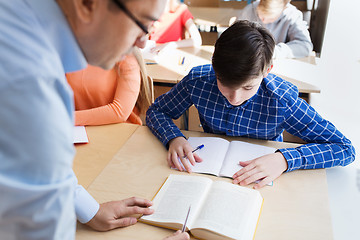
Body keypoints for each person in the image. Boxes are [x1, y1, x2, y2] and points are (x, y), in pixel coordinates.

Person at [0, 0, 189, 239]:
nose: (143, 42)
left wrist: (89, 210)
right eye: (142, 23)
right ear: (87, 4)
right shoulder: (30, 84)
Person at [146, 20, 355, 189]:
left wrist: (284, 160)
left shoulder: (281, 100)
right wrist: (173, 137)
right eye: (224, 85)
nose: (234, 98)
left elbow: (344, 148)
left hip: (261, 182)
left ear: (267, 70)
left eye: (247, 88)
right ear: (214, 66)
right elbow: (156, 111)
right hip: (205, 174)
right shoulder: (199, 81)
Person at [66, 47, 152, 126]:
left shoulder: (127, 55)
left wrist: (66, 118)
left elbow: (120, 112)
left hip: (120, 131)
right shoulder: (70, 49)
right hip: (77, 130)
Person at [236, 0, 313, 58]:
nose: (263, 21)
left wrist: (272, 52)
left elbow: (305, 46)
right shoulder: (249, 10)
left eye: (269, 18)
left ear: (283, 9)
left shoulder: (292, 15)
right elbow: (234, 37)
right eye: (260, 15)